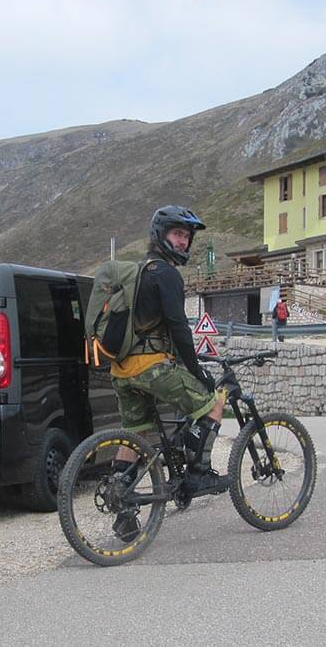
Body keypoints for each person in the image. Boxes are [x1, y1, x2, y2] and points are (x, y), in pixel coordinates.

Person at [108, 205, 229, 539]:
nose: (183, 243)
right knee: (214, 402)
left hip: (121, 370)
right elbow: (178, 327)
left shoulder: (138, 271)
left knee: (136, 434)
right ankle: (200, 474)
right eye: (177, 234)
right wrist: (197, 371)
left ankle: (123, 509)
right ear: (160, 235)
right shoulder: (166, 274)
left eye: (187, 237)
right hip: (151, 369)